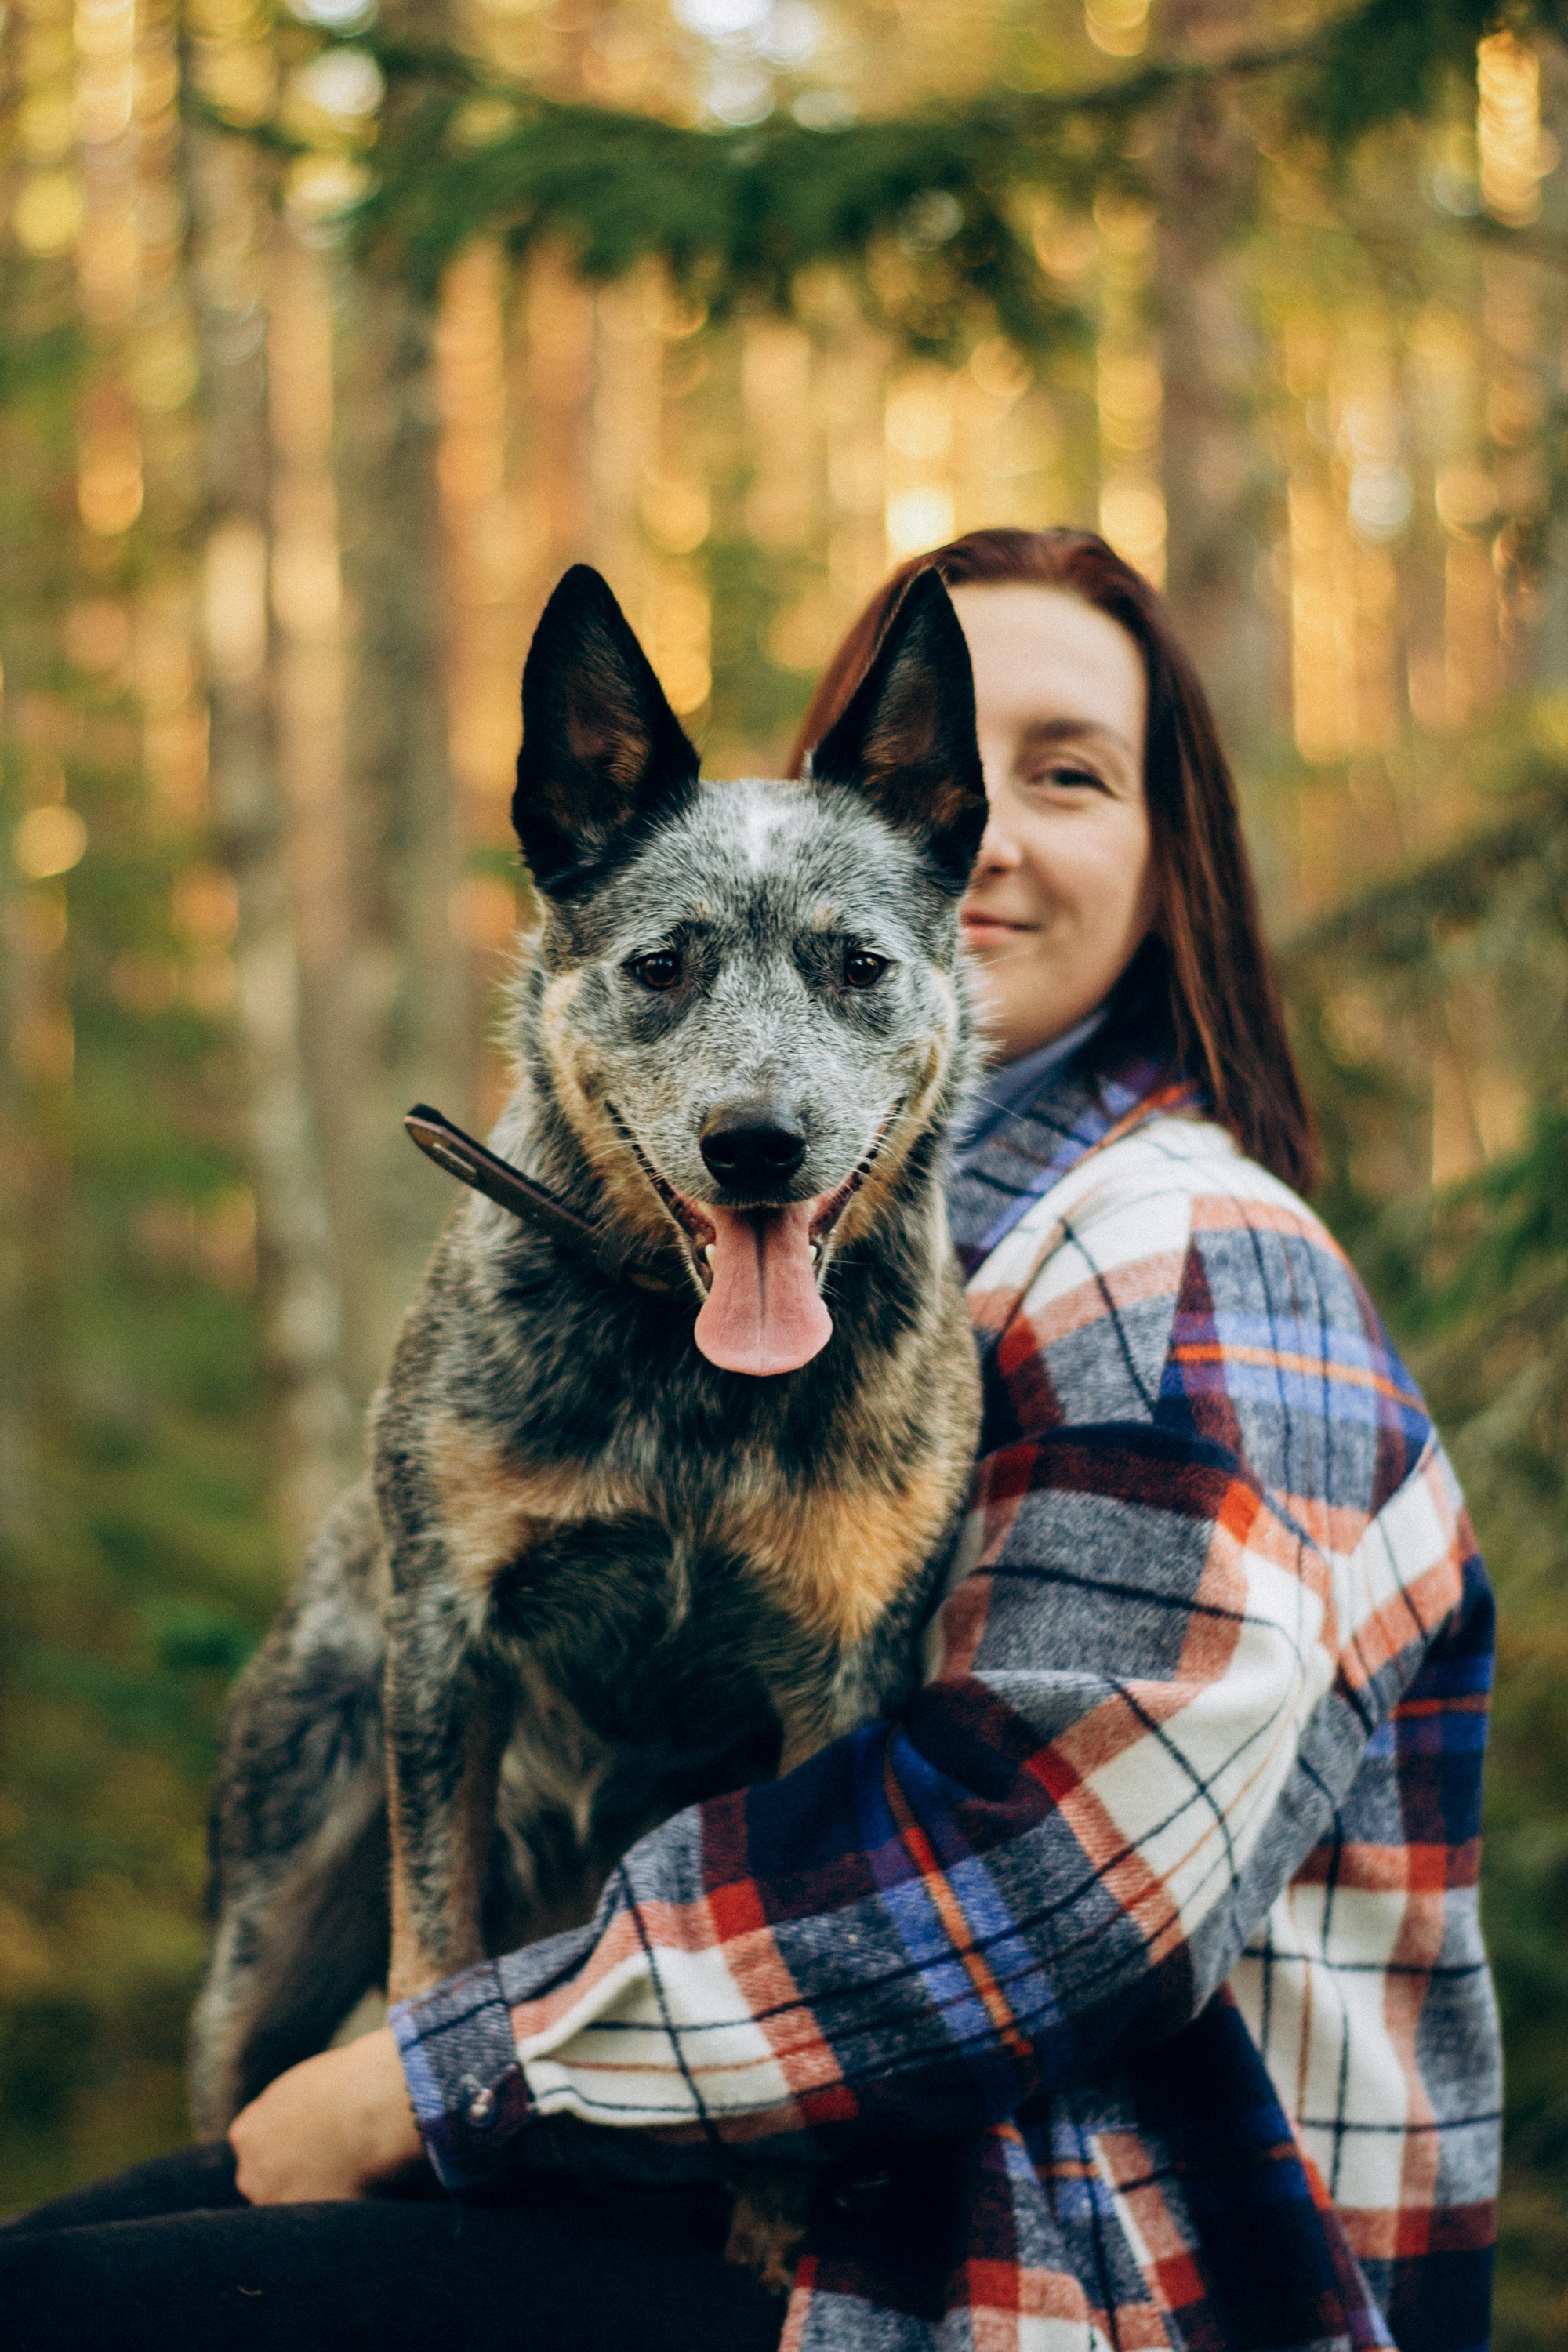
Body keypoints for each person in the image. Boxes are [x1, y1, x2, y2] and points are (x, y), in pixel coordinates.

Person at [1, 528, 1500, 2352]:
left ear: (1168, 855)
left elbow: (1063, 1884)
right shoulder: (977, 1207)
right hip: (681, 2118)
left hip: (1034, 2257)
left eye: (1071, 776)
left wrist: (434, 2073)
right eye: (972, 769)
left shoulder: (1196, 1259)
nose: (1001, 837)